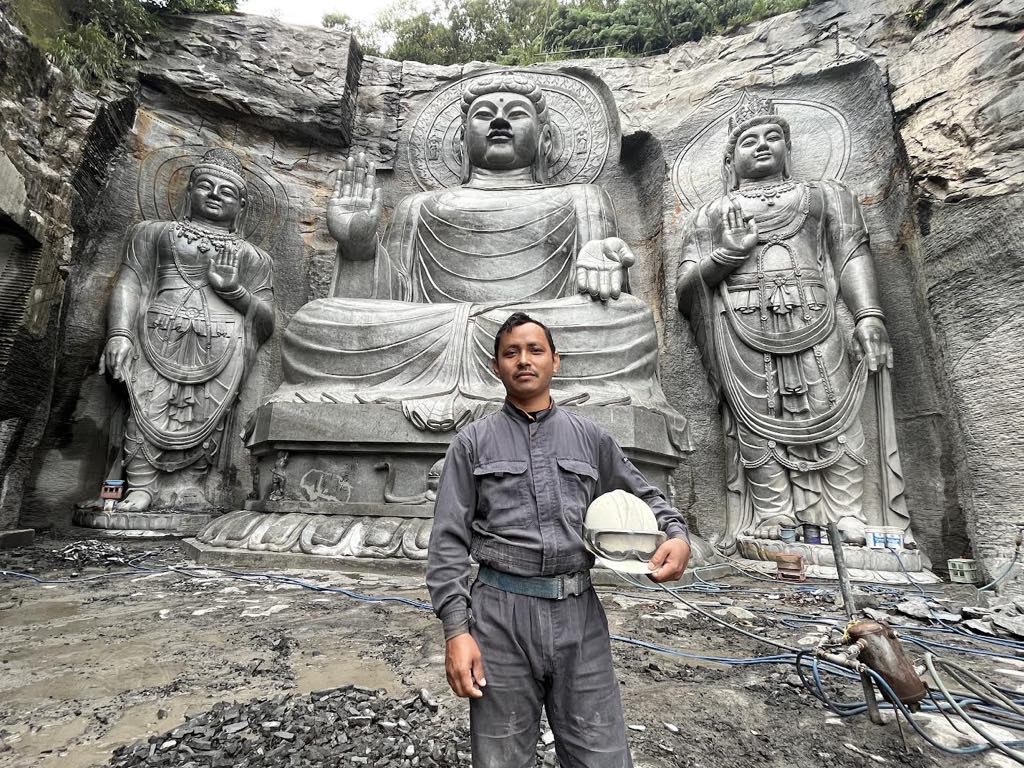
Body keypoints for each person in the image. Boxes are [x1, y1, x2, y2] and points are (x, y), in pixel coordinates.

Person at [274, 73, 688, 451]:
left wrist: (600, 258)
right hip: (427, 334)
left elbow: (607, 298)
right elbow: (394, 301)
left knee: (629, 321)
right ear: (460, 142)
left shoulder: (582, 197)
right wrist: (360, 247)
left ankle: (496, 361)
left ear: (546, 141)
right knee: (314, 323)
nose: (500, 122)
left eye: (516, 114)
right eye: (485, 115)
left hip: (540, 333)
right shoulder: (420, 206)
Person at [426, 312, 691, 768]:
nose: (523, 360)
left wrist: (677, 534)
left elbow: (644, 494)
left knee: (601, 756)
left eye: (535, 350)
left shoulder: (590, 439)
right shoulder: (472, 443)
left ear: (555, 361)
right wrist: (456, 631)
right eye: (511, 352)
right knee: (500, 758)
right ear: (496, 367)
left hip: (579, 616)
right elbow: (447, 542)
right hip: (499, 619)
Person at [676, 93, 908, 549]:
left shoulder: (827, 196)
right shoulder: (710, 214)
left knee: (834, 407)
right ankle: (772, 514)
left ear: (788, 145)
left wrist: (868, 315)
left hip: (815, 312)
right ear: (730, 158)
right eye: (748, 141)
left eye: (772, 137)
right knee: (755, 416)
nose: (761, 146)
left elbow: (850, 255)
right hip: (740, 320)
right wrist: (725, 255)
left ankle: (848, 514)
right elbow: (686, 288)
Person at [99, 148, 275, 512]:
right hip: (156, 333)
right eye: (205, 186)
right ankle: (140, 487)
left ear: (241, 205)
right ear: (189, 191)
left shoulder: (253, 256)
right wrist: (119, 333)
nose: (214, 195)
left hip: (223, 344)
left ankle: (190, 485)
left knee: (207, 413)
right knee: (144, 404)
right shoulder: (153, 233)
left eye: (226, 192)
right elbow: (130, 284)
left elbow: (268, 318)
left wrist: (234, 292)